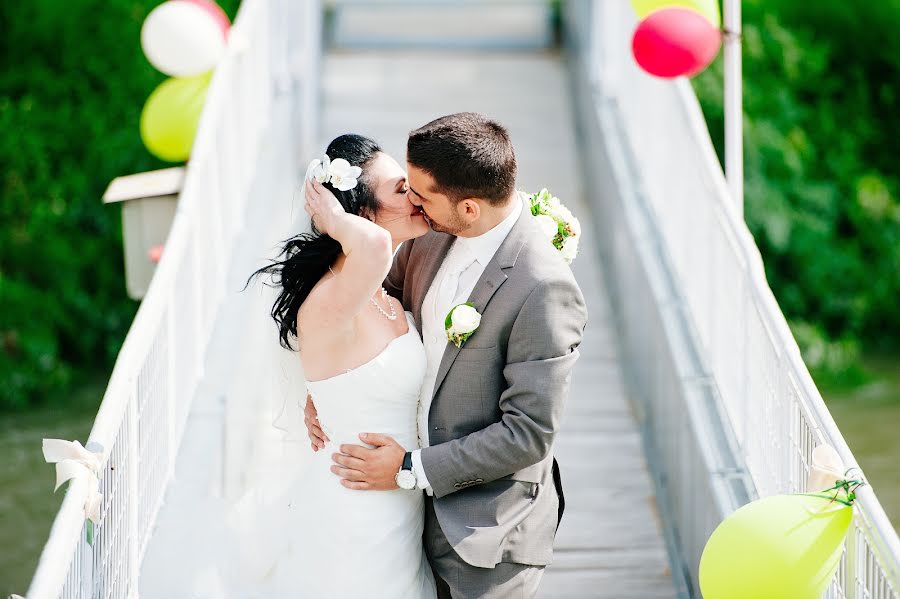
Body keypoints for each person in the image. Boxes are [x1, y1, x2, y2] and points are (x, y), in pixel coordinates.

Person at [304, 113, 588, 598]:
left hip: (485, 529)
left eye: (422, 195)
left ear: (470, 209)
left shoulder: (543, 288)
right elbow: (378, 299)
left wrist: (409, 469)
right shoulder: (431, 231)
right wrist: (334, 385)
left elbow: (528, 432)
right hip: (397, 517)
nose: (412, 204)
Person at [242, 133, 437, 598]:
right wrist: (333, 217)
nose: (415, 195)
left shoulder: (377, 291)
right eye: (399, 188)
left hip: (397, 506)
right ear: (363, 216)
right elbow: (369, 246)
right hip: (353, 515)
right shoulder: (330, 300)